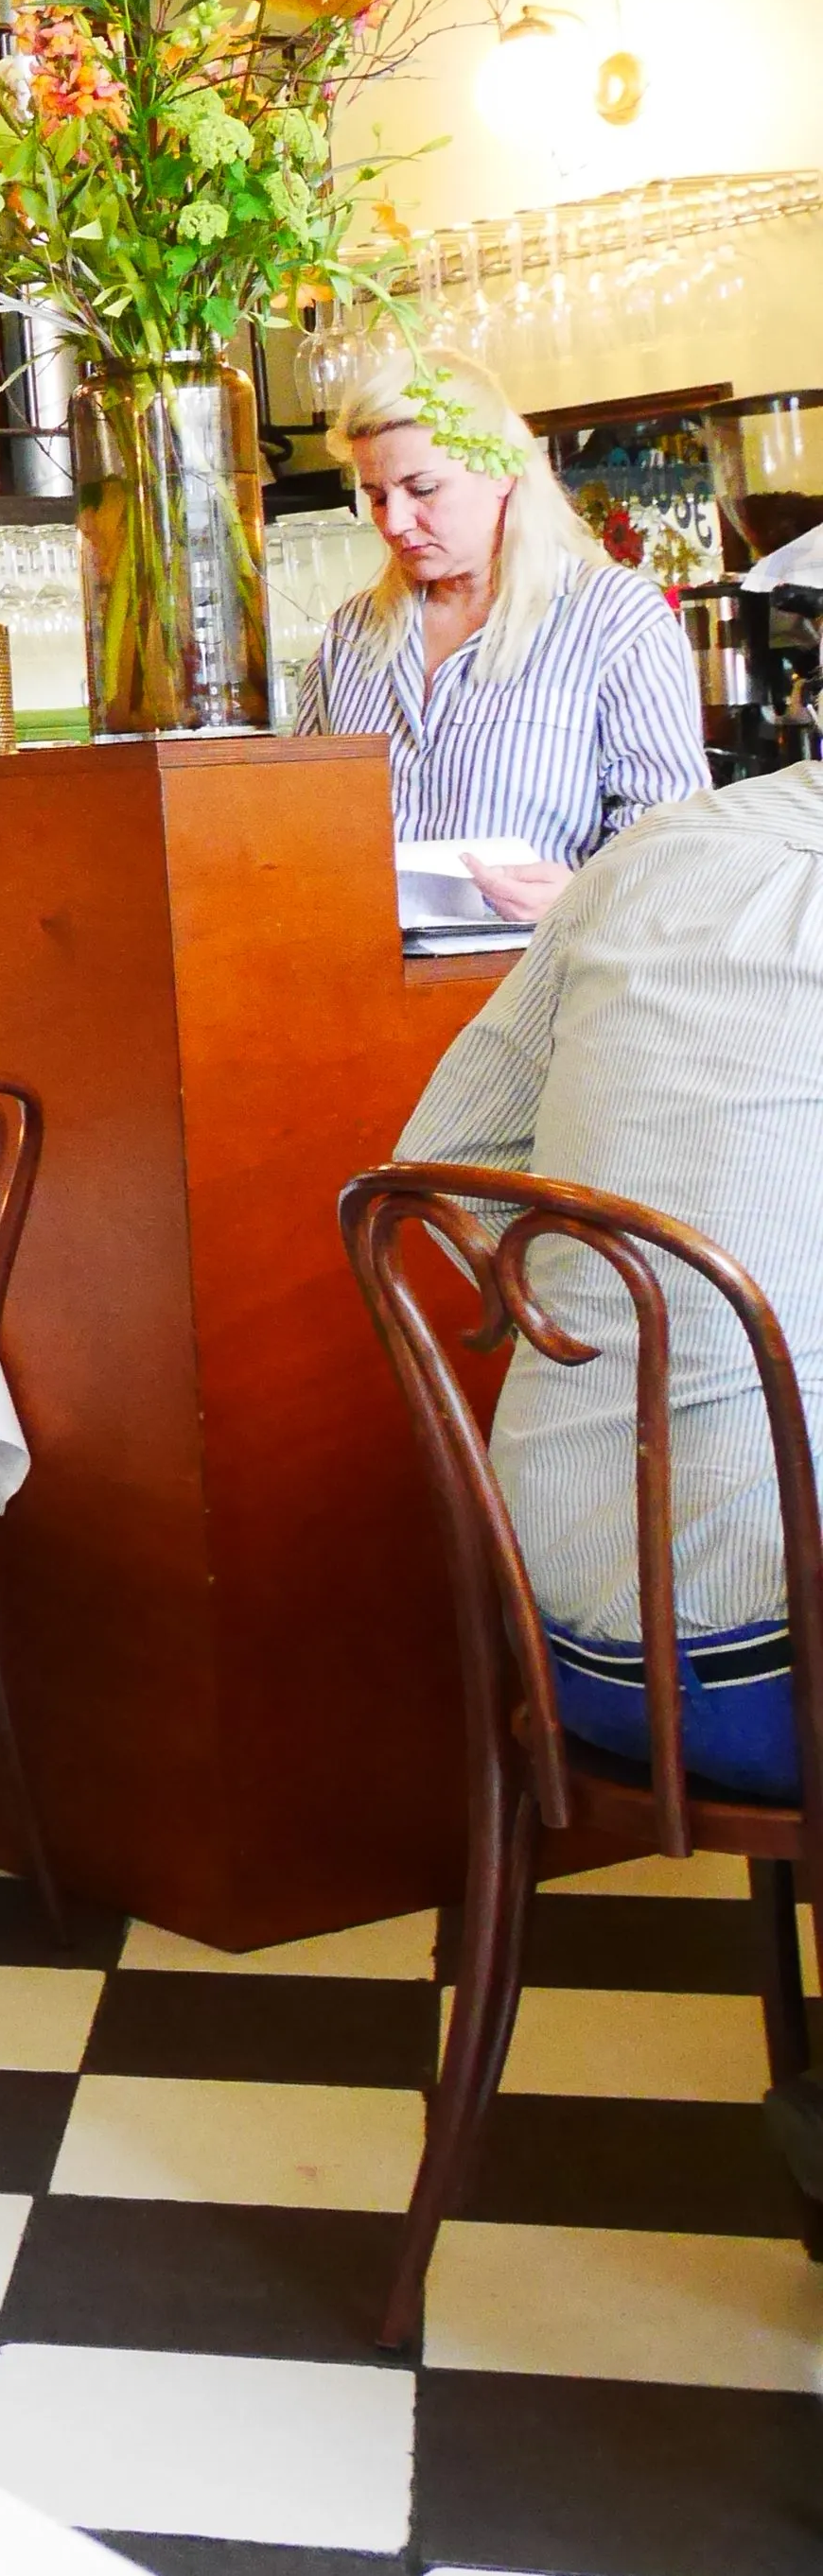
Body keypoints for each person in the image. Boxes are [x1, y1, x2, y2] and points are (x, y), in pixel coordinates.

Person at [394, 757, 823, 1803]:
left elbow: (444, 1155)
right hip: (779, 1671)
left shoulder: (648, 851)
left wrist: (615, 1311)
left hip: (560, 1636)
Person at [298, 353, 707, 922]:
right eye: (376, 496)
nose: (393, 522)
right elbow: (300, 829)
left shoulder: (613, 619)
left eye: (423, 489)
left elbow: (678, 850)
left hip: (545, 989)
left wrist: (577, 898)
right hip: (368, 989)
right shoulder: (352, 635)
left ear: (501, 471)